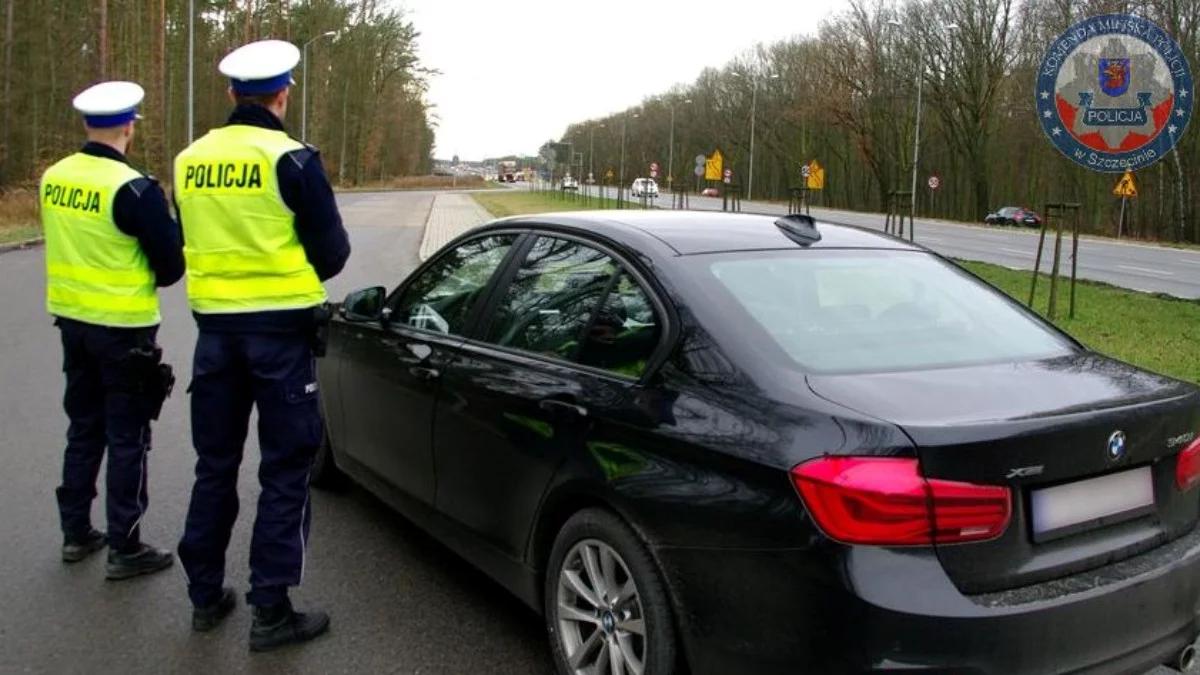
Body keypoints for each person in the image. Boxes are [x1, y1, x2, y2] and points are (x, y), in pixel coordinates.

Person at [174, 39, 350, 649]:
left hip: (215, 339)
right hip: (280, 341)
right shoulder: (293, 160)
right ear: (283, 93)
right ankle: (271, 611)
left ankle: (204, 596)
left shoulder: (187, 160)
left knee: (214, 467)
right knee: (284, 470)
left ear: (230, 94)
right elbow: (332, 254)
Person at [42, 81, 184, 579]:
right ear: (129, 125)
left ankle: (75, 533)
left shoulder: (54, 177)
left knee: (83, 428)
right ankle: (126, 546)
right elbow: (169, 269)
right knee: (128, 437)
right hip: (124, 330)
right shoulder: (134, 189)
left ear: (86, 124)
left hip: (72, 323)